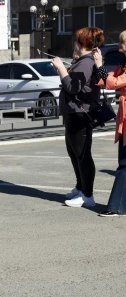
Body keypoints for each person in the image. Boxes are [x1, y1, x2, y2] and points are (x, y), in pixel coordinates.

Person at [52, 27, 103, 208]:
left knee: (82, 155)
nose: (73, 44)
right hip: (74, 113)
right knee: (74, 152)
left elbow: (73, 87)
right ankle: (81, 187)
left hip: (80, 113)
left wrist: (61, 70)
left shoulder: (86, 63)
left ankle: (87, 195)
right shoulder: (83, 61)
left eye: (76, 41)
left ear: (81, 43)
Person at [94, 30, 126, 216]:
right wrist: (99, 65)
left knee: (124, 164)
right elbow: (106, 80)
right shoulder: (123, 64)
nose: (119, 47)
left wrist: (100, 65)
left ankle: (116, 207)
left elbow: (114, 83)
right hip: (124, 119)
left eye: (122, 43)